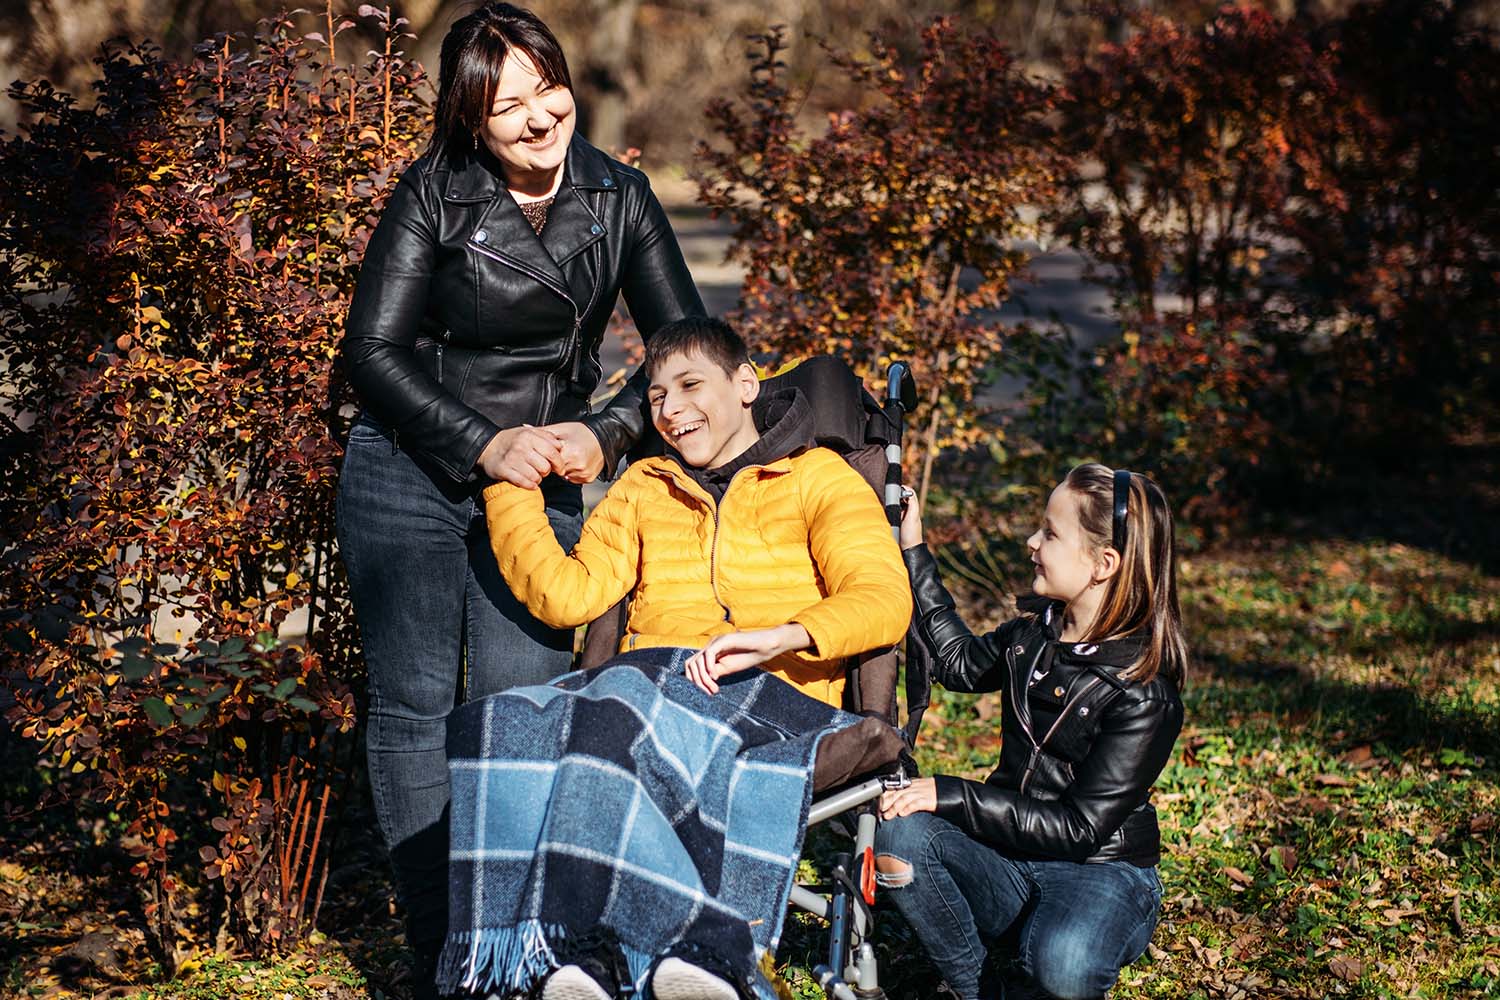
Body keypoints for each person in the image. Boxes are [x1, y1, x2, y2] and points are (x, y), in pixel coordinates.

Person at [334, 3, 703, 991]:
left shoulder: (621, 197)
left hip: (542, 486)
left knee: (520, 712)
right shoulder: (434, 193)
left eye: (550, 88)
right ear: (470, 122)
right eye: (509, 107)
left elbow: (687, 352)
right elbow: (368, 352)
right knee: (413, 710)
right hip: (412, 465)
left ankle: (514, 947)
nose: (542, 118)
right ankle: (437, 953)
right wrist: (481, 440)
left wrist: (609, 429)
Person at [467, 316, 914, 999]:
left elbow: (883, 599)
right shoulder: (645, 486)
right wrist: (510, 486)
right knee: (532, 718)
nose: (670, 410)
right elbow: (566, 596)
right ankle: (599, 962)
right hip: (649, 695)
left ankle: (663, 947)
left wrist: (786, 635)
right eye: (654, 397)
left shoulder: (819, 479)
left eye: (688, 385)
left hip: (773, 706)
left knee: (603, 719)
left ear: (744, 384)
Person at [875, 464, 1186, 1000]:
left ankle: (1058, 954)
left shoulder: (1143, 690)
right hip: (1008, 854)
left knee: (1064, 965)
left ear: (1102, 564)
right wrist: (914, 548)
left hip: (1100, 871)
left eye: (1050, 532)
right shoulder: (1033, 635)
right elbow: (955, 661)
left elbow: (1079, 830)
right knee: (900, 835)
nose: (1031, 541)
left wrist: (950, 794)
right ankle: (982, 988)